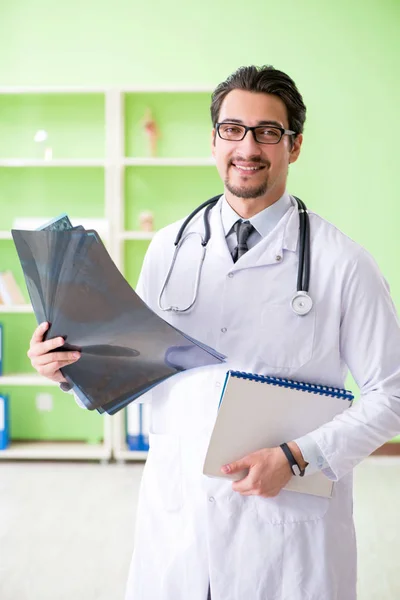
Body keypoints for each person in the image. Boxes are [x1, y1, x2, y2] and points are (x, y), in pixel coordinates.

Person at [27, 65, 400, 600]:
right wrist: (69, 368)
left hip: (284, 522)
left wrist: (298, 457)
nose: (248, 147)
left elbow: (392, 392)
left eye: (268, 132)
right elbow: (136, 367)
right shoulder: (169, 247)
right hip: (178, 520)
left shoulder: (343, 264)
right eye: (233, 129)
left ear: (293, 147)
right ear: (214, 140)